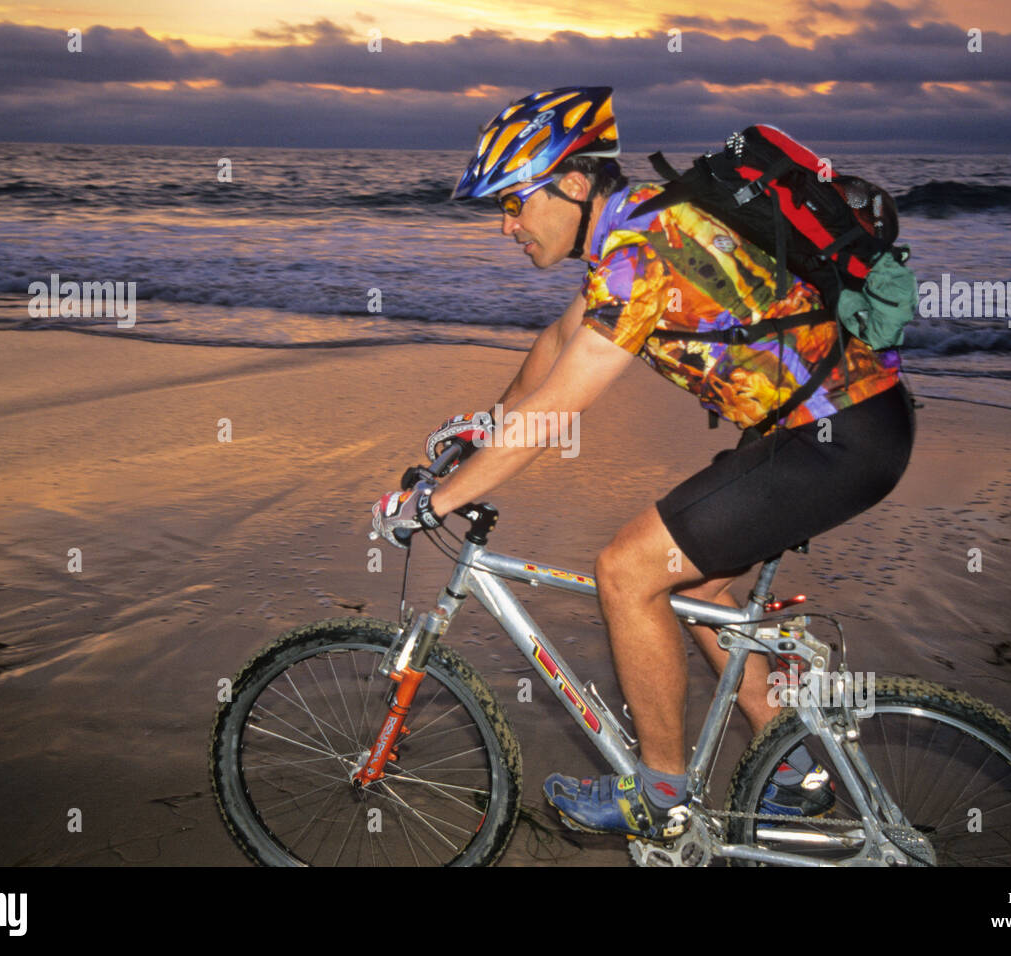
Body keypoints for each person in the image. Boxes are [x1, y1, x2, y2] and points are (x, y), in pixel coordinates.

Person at [371, 86, 915, 839]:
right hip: (839, 427)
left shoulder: (639, 252)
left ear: (568, 183)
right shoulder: (641, 219)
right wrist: (482, 431)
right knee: (698, 580)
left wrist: (437, 501)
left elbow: (557, 414)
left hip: (835, 435)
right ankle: (795, 771)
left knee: (628, 570)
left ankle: (660, 795)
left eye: (512, 203)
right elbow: (559, 347)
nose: (507, 227)